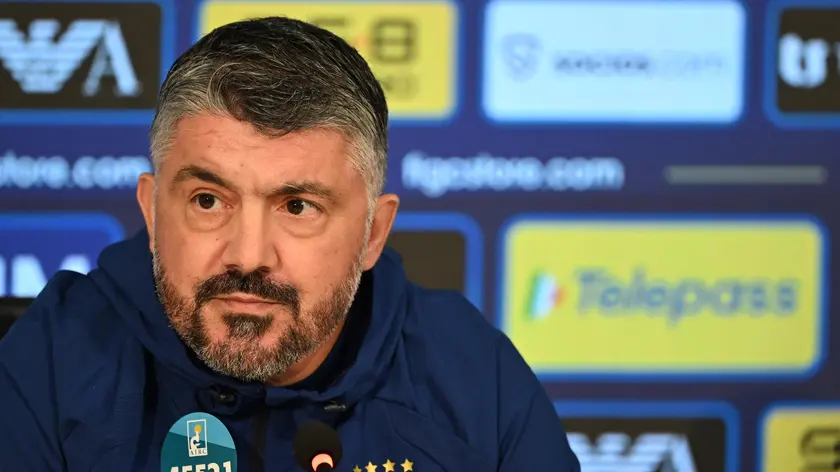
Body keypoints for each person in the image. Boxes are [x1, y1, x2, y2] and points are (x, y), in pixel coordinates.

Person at [0, 17, 580, 472]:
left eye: (297, 207)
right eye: (209, 201)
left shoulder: (474, 381)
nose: (248, 255)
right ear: (152, 212)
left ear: (374, 233)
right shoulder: (54, 358)